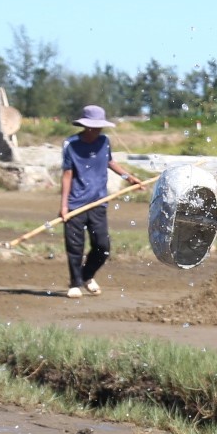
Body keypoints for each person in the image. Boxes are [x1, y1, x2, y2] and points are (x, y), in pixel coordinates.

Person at [60, 104, 144, 297]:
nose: (97, 130)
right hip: (75, 203)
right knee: (75, 246)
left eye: (99, 126)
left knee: (102, 246)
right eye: (94, 126)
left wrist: (128, 178)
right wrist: (64, 205)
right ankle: (75, 283)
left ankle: (86, 275)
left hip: (98, 201)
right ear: (86, 126)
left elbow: (109, 161)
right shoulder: (71, 144)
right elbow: (67, 173)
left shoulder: (104, 141)